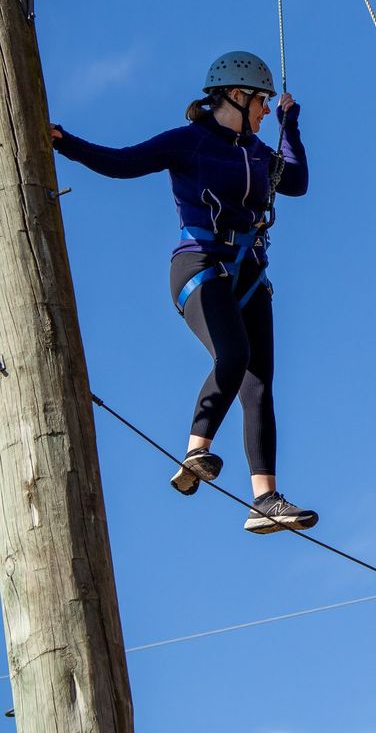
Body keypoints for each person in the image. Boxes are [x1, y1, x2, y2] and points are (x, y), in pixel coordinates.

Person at [51, 50, 317, 534]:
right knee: (232, 355)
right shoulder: (188, 143)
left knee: (259, 383)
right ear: (235, 95)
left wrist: (288, 125)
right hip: (199, 264)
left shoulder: (258, 151)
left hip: (251, 271)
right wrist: (64, 142)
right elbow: (121, 163)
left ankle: (265, 500)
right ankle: (197, 451)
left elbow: (297, 181)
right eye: (262, 101)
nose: (265, 108)